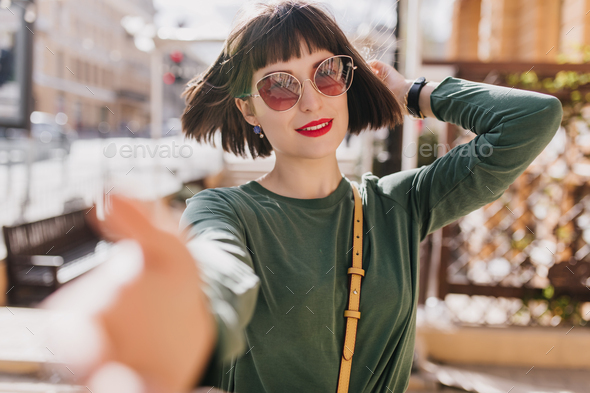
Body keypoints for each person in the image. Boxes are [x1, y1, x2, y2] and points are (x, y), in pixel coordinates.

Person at [42, 0, 563, 392]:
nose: (311, 100)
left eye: (327, 73)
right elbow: (217, 272)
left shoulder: (400, 204)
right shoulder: (225, 211)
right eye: (280, 86)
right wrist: (189, 310)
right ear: (250, 109)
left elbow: (531, 118)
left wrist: (411, 93)